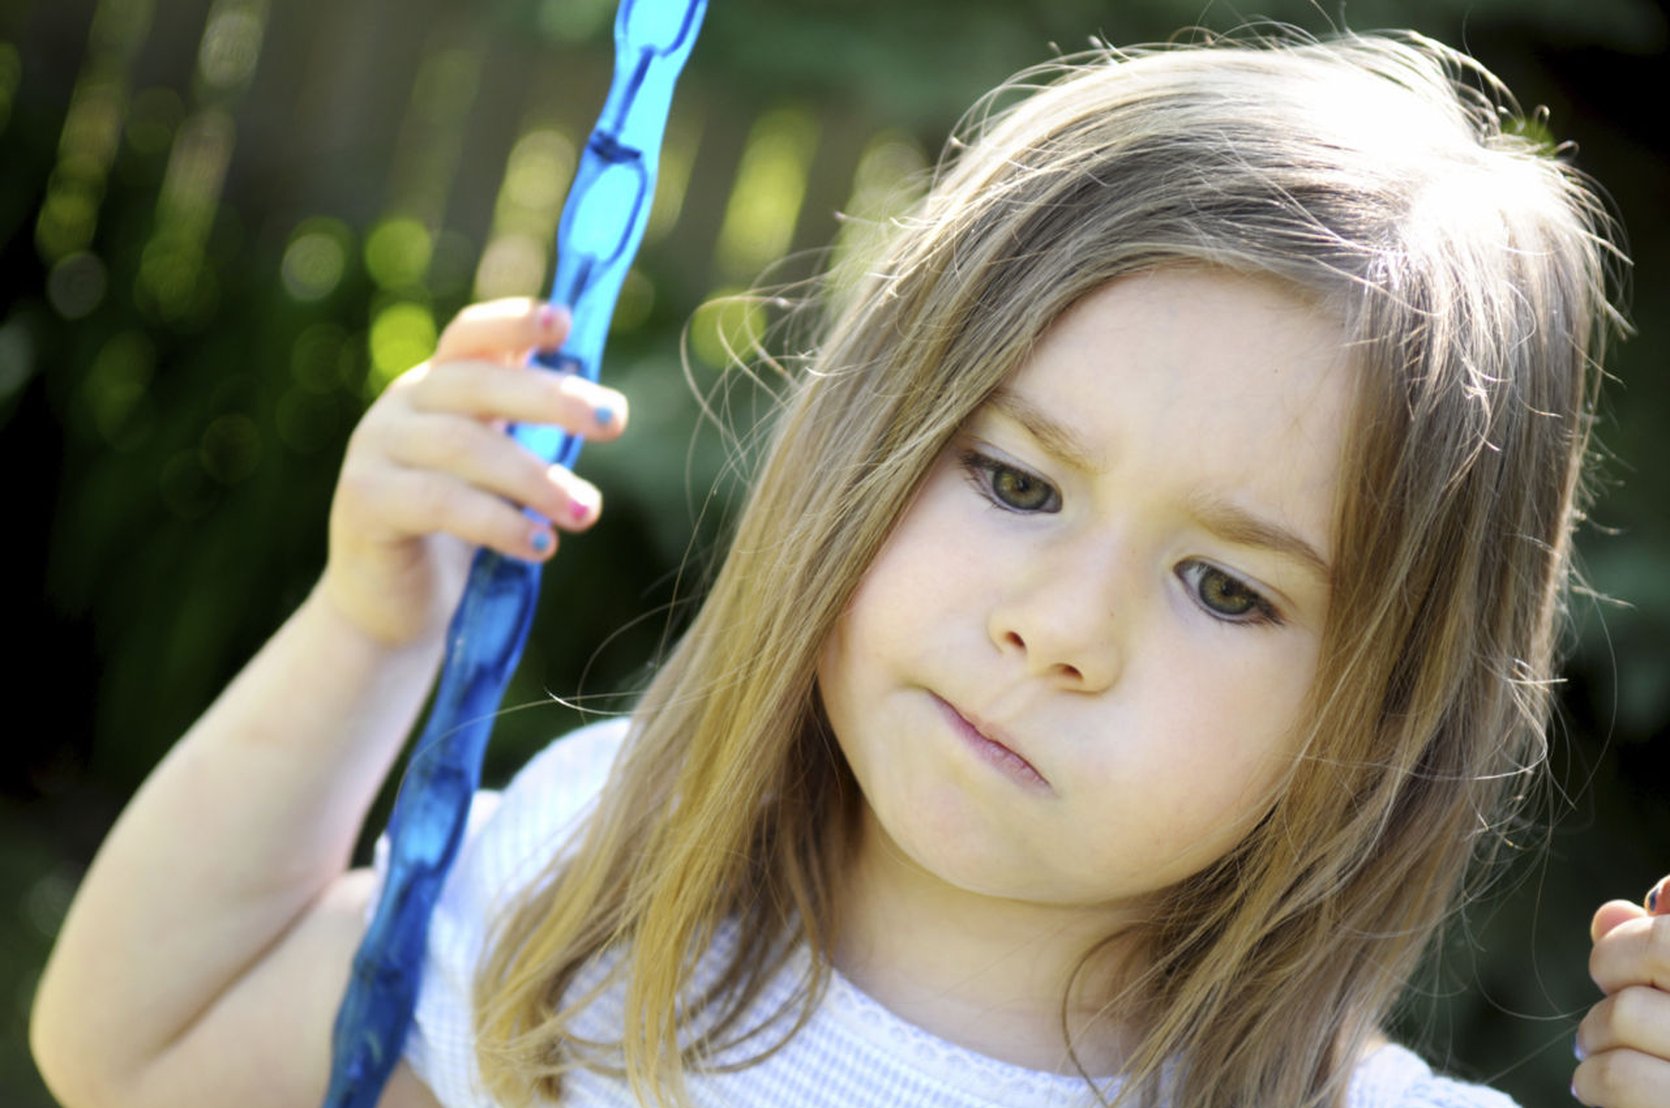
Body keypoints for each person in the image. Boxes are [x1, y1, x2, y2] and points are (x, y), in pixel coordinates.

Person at [28, 27, 1668, 1108]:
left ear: (1389, 705)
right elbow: (135, 1048)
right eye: (1014, 479)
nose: (1057, 630)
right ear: (865, 445)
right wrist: (369, 627)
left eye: (1225, 587)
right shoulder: (609, 891)